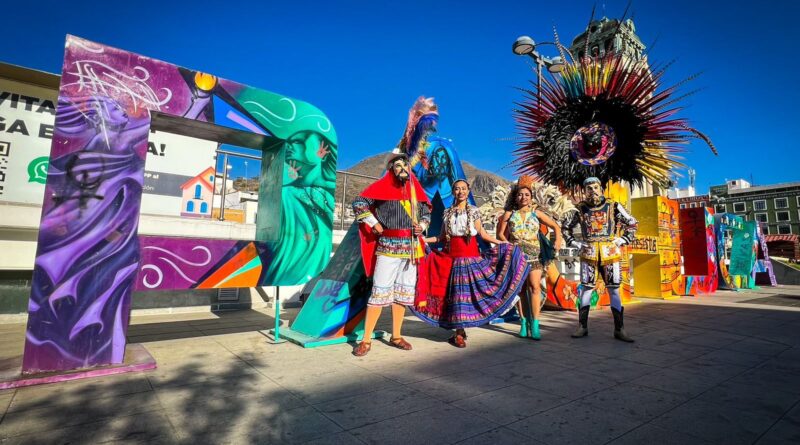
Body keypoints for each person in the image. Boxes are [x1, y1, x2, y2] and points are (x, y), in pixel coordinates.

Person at [413, 180, 530, 348]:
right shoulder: (447, 212)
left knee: (470, 294)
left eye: (463, 189)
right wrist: (423, 240)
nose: (460, 191)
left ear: (468, 191)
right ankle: (459, 332)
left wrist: (503, 244)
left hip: (470, 258)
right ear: (453, 192)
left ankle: (460, 332)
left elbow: (482, 234)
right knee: (456, 296)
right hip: (451, 258)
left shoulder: (474, 211)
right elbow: (441, 237)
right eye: (457, 189)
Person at [350, 151, 431, 357]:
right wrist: (373, 222)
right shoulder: (382, 187)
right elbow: (359, 203)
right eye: (398, 166)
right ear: (392, 170)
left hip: (411, 248)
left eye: (405, 166)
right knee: (379, 292)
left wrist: (422, 226)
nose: (402, 169)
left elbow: (426, 213)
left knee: (402, 294)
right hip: (388, 247)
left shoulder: (416, 191)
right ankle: (366, 340)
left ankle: (396, 335)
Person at [562, 177, 638, 342]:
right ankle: (582, 326)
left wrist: (622, 239)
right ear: (584, 191)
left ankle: (619, 328)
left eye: (595, 187)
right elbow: (565, 227)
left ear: (601, 189)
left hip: (610, 253)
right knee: (586, 289)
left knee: (614, 290)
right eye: (589, 188)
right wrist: (575, 243)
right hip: (588, 253)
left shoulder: (613, 206)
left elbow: (632, 223)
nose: (593, 191)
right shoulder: (579, 209)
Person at [496, 175, 563, 340]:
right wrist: (510, 245)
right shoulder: (509, 214)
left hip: (534, 254)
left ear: (531, 197)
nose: (523, 197)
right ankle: (524, 322)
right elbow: (500, 234)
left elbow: (555, 226)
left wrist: (557, 241)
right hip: (516, 254)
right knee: (520, 289)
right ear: (515, 197)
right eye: (520, 194)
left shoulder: (536, 213)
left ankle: (535, 324)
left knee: (534, 286)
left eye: (526, 194)